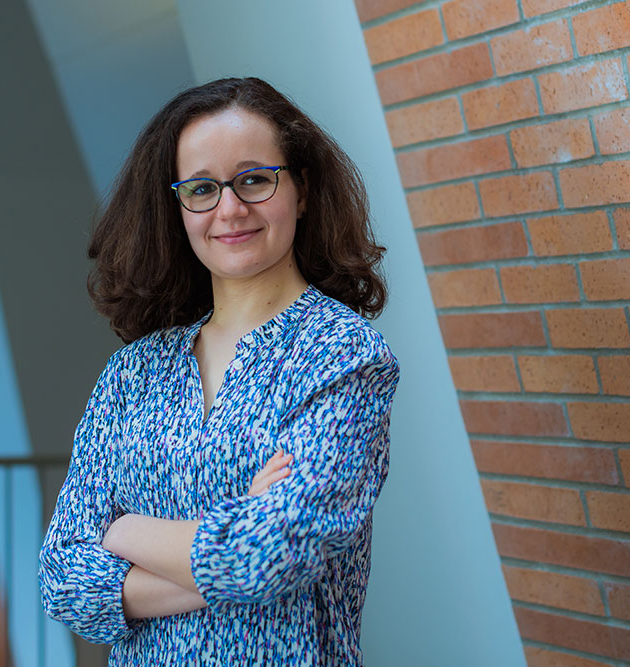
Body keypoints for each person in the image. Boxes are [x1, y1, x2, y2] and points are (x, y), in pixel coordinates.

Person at [38, 77, 400, 665]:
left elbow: (273, 552)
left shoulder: (343, 355)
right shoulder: (134, 373)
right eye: (202, 189)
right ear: (178, 207)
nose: (230, 209)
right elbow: (63, 581)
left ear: (301, 190)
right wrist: (229, 543)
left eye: (254, 179)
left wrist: (125, 533)